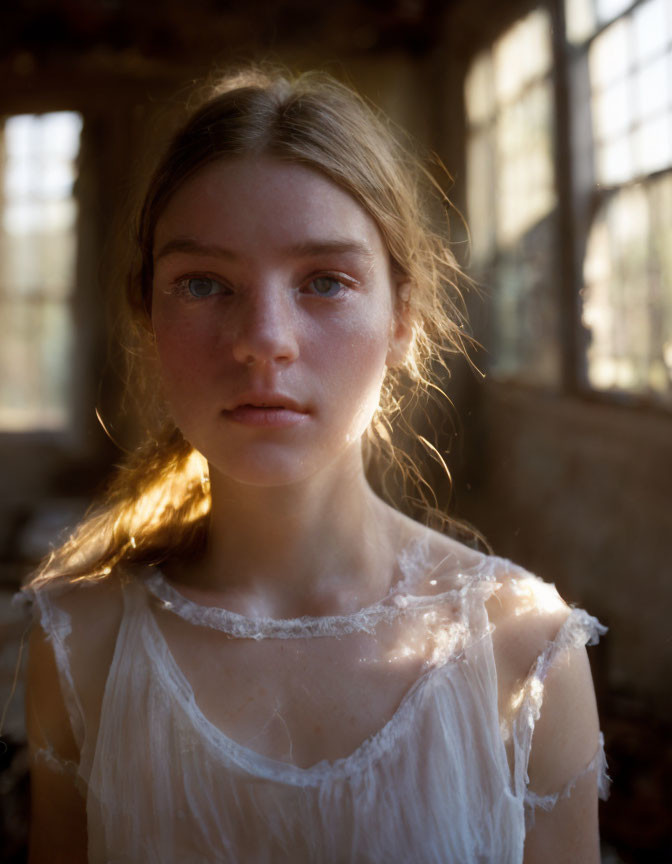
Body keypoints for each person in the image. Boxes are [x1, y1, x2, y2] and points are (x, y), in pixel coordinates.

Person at [21, 66, 608, 863]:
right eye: (202, 284)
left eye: (326, 282)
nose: (264, 338)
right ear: (146, 316)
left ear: (403, 319)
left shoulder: (523, 651)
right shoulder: (82, 647)